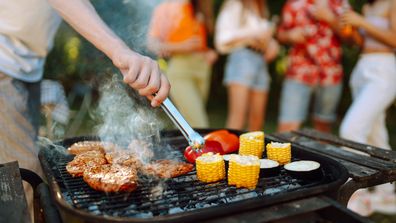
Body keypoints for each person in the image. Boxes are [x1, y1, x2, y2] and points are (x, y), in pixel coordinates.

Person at [0, 0, 170, 221]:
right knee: (25, 175)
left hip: (26, 68)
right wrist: (120, 51)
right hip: (4, 65)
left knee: (26, 167)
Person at [339, 0, 396, 216]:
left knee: (351, 129)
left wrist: (360, 21)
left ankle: (357, 195)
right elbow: (360, 42)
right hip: (362, 69)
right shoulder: (366, 7)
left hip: (383, 70)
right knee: (375, 134)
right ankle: (386, 194)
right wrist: (351, 30)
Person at [276, 0, 350, 133]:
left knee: (323, 128)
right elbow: (280, 34)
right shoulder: (293, 3)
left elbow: (352, 40)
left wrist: (331, 19)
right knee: (287, 128)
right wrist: (290, 35)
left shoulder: (341, 4)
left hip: (330, 74)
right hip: (298, 72)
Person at [147, 0, 217, 128]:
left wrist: (207, 52)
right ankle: (203, 147)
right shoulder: (166, 8)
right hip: (180, 69)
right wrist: (181, 47)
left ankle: (179, 147)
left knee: (188, 119)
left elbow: (201, 40)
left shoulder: (199, 5)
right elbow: (152, 44)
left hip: (203, 67)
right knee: (198, 122)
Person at [215, 0, 279, 131]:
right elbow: (222, 39)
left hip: (260, 61)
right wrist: (252, 34)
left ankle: (251, 152)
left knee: (257, 121)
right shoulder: (235, 4)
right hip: (242, 59)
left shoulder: (261, 7)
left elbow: (262, 38)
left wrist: (271, 45)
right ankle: (230, 150)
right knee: (237, 119)